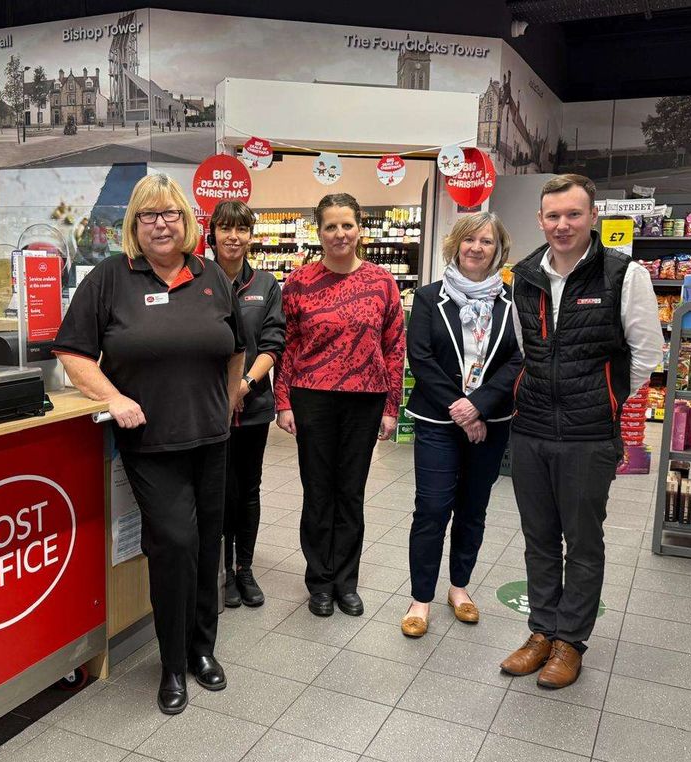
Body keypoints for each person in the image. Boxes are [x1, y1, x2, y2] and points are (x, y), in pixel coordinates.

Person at [54, 173, 246, 715]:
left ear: (186, 221)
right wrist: (113, 397)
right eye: (149, 215)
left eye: (170, 214)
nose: (161, 225)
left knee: (207, 544)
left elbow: (236, 348)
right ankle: (172, 664)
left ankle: (203, 650)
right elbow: (71, 352)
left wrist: (227, 404)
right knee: (174, 545)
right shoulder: (111, 278)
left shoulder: (211, 275)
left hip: (211, 439)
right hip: (151, 443)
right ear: (134, 225)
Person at [500, 174, 661, 689]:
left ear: (593, 217)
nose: (563, 224)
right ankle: (541, 632)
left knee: (583, 542)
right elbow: (521, 347)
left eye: (573, 214)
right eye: (553, 215)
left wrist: (606, 400)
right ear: (540, 220)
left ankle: (570, 641)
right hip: (530, 429)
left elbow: (647, 354)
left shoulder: (624, 275)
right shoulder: (524, 275)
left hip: (589, 435)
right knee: (538, 538)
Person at [275, 193, 406, 618]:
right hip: (312, 397)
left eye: (347, 225)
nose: (339, 234)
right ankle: (319, 581)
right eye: (330, 226)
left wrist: (391, 407)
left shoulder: (382, 282)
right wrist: (283, 401)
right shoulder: (299, 282)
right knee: (317, 492)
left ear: (359, 229)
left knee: (351, 493)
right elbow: (287, 345)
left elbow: (394, 347)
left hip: (365, 400)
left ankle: (346, 582)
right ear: (319, 231)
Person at [398, 212, 521, 638]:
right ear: (455, 244)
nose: (476, 248)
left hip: (491, 422)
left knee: (473, 509)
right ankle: (420, 598)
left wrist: (479, 407)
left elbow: (518, 360)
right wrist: (461, 409)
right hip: (438, 419)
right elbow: (420, 358)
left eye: (486, 241)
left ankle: (459, 587)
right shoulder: (428, 298)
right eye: (469, 239)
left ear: (498, 249)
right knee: (432, 509)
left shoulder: (513, 302)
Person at [209, 200, 285, 608]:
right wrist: (224, 391)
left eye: (241, 229)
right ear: (213, 233)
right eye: (226, 228)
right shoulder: (198, 279)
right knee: (219, 491)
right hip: (210, 407)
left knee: (249, 489)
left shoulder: (266, 285)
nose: (233, 237)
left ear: (251, 236)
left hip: (253, 404)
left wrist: (244, 384)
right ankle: (222, 570)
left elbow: (272, 343)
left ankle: (245, 568)